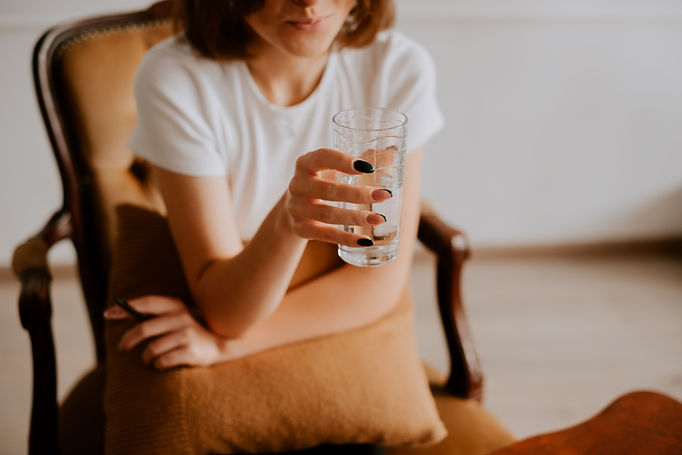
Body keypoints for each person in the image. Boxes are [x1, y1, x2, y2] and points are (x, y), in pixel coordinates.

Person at [103, 0, 443, 369]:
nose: (311, 4)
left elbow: (377, 285)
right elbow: (226, 313)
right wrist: (287, 222)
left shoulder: (397, 68)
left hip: (337, 344)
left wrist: (223, 348)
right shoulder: (176, 78)